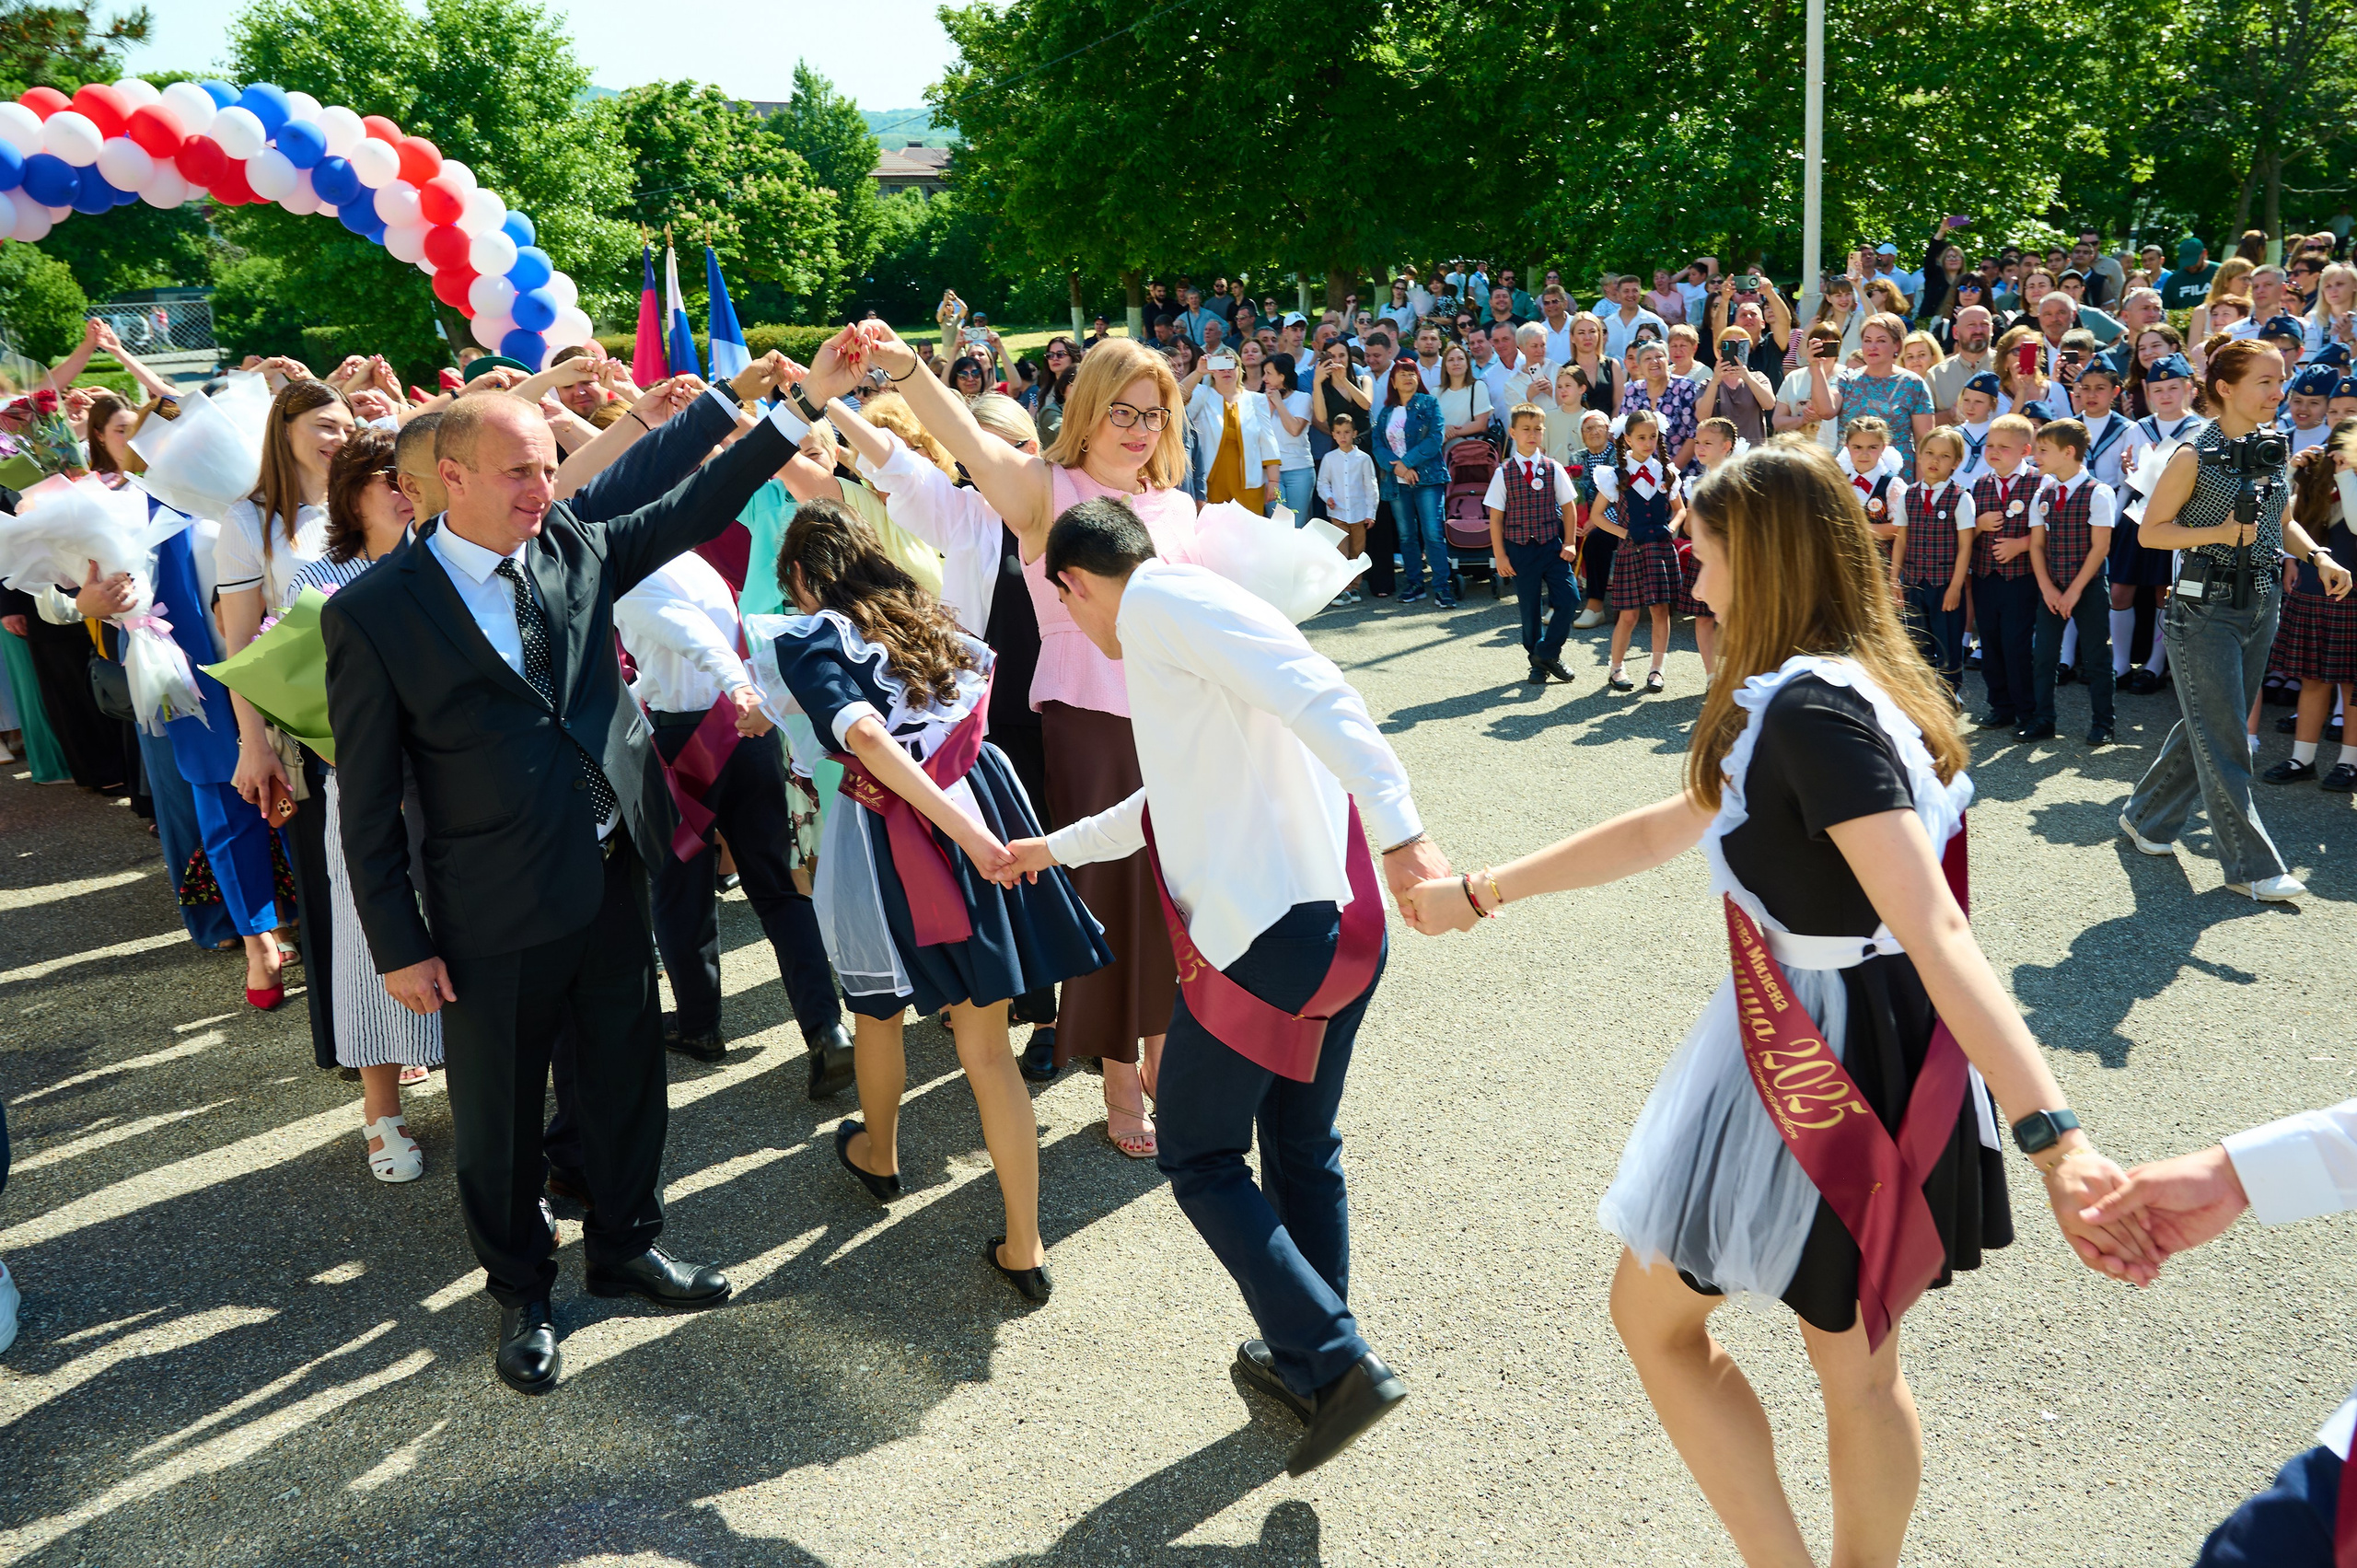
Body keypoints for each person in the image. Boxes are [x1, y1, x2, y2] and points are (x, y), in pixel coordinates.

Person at [1405, 438, 2147, 1568]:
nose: (1693, 576)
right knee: (1853, 1364)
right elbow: (1670, 824)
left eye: (1704, 553)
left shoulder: (1809, 713)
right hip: (1878, 1030)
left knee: (1690, 1327)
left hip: (1825, 1048)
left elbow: (1936, 927)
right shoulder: (1855, 681)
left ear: (1761, 560)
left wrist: (2057, 1136)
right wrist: (1482, 890)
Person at [321, 374, 807, 1395]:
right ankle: (521, 1292)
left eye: (547, 467)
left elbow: (692, 504)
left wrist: (790, 413)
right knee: (499, 1115)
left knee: (625, 1073)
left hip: (608, 866)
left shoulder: (571, 546)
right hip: (489, 902)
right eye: (519, 472)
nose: (543, 488)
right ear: (450, 477)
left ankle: (626, 1244)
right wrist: (398, 943)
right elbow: (366, 803)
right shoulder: (373, 611)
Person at [1004, 496, 1448, 1477]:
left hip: (1271, 936)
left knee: (1200, 1152)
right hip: (1332, 925)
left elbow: (1321, 689)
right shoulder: (1179, 617)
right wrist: (1051, 848)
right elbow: (1167, 794)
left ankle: (1334, 1359)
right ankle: (1314, 1356)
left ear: (1073, 584)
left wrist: (1404, 831)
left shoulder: (1165, 606)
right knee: (1298, 1141)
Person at [851, 327, 1188, 1144]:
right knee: (1112, 893)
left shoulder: (1177, 505)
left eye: (1155, 413)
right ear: (1087, 410)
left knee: (1177, 893)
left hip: (1180, 720)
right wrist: (907, 368)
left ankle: (1167, 1060)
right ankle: (1120, 1083)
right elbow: (964, 438)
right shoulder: (1045, 490)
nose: (1139, 429)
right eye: (1122, 411)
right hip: (1091, 721)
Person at [770, 499, 1110, 1298]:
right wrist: (976, 829)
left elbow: (866, 738)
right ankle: (1024, 1243)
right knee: (986, 1048)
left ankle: (880, 1154)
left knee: (878, 1008)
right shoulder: (925, 616)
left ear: (805, 577)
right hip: (982, 795)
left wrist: (962, 834)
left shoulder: (814, 638)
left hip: (899, 828)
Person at [2120, 340, 2351, 901]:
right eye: (2266, 382)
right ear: (2225, 388)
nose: (2279, 391)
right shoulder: (2192, 455)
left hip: (2262, 602)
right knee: (2226, 739)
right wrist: (2221, 532)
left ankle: (2145, 816)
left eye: (2281, 380)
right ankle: (2251, 867)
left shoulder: (2272, 443)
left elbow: (2281, 520)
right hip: (2204, 607)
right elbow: (2152, 532)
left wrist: (2318, 556)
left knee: (2208, 723)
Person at [285, 428, 444, 1182]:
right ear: (351, 494)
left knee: (462, 931)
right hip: (364, 784)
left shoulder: (445, 556)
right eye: (388, 475)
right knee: (368, 940)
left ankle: (484, 1089)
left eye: (411, 474)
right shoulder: (318, 578)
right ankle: (381, 1112)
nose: (404, 488)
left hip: (454, 781)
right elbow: (300, 692)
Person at [220, 379, 355, 1034]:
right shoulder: (248, 520)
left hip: (388, 711)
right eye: (326, 425)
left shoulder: (367, 496)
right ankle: (352, 1035)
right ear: (285, 428)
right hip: (308, 725)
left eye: (347, 425)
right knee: (329, 882)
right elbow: (242, 644)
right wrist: (254, 743)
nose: (340, 437)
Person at [2259, 424, 2357, 789]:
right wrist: (2290, 473)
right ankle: (2302, 758)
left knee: (2352, 686)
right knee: (2312, 680)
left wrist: (2346, 474)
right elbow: (2281, 520)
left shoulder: (2348, 481)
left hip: (2353, 598)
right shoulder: (2317, 481)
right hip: (2314, 592)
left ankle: (2349, 763)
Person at [2023, 419, 2117, 745]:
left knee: (2097, 657)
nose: (2036, 456)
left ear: (2068, 452)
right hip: (2052, 587)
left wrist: (2074, 591)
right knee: (2044, 655)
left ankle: (2103, 723)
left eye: (2043, 450)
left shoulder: (2098, 492)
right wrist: (2048, 588)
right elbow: (2037, 545)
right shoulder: (2043, 492)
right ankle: (2043, 719)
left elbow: (2100, 547)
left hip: (2088, 588)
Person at [1485, 402, 1580, 684]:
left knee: (1570, 598)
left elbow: (1569, 508)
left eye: (1537, 429)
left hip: (1551, 546)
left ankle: (1547, 652)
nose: (1532, 434)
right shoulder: (1503, 472)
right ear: (1513, 432)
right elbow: (1496, 518)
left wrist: (1570, 542)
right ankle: (1537, 663)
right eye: (1525, 429)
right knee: (1529, 608)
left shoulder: (1553, 468)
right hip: (1519, 549)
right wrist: (1500, 556)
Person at [1596, 408, 1683, 693]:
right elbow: (1596, 516)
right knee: (1629, 614)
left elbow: (1680, 510)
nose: (1648, 442)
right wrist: (1624, 534)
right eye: (1641, 437)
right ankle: (1616, 667)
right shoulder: (1615, 475)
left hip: (1660, 550)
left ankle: (1657, 669)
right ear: (1628, 439)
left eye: (1653, 437)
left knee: (1660, 610)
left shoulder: (1666, 472)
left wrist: (1671, 528)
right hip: (1631, 551)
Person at [1892, 426, 1976, 697]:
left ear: (1956, 462)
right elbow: (1901, 541)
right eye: (1929, 453)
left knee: (1948, 643)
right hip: (1914, 583)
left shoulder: (1961, 498)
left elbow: (1965, 546)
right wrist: (1894, 579)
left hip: (1945, 585)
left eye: (1944, 456)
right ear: (1919, 455)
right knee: (1918, 642)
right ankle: (1924, 698)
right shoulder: (1908, 495)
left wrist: (1956, 587)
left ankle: (1951, 695)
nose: (1934, 460)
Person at [1814, 314, 1935, 480]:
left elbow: (1924, 442)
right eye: (1867, 340)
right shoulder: (1846, 379)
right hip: (1850, 477)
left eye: (1881, 341)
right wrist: (1816, 368)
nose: (1872, 347)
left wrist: (1920, 488)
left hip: (1895, 479)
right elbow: (1825, 411)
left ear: (1897, 345)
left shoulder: (1913, 384)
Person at [1377, 359, 1451, 608]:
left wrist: (1406, 463)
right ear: (1393, 381)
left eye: (1412, 373)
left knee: (1433, 533)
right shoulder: (1386, 412)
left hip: (1428, 478)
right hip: (1397, 482)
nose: (1408, 378)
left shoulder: (1430, 404)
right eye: (1403, 374)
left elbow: (1435, 438)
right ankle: (1415, 584)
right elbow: (1378, 445)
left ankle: (1442, 587)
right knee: (1407, 535)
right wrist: (1397, 467)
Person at [1186, 351, 1282, 517]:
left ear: (1239, 369)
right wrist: (1198, 372)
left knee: (1249, 530)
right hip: (1210, 483)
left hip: (1249, 484)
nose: (1226, 370)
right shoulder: (1202, 394)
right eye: (1220, 366)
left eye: (1231, 365)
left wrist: (1273, 481)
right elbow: (1176, 399)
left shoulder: (1256, 400)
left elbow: (1268, 440)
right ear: (1212, 371)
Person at [1316, 412, 1376, 604]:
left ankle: (1355, 587)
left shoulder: (1363, 459)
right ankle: (1344, 589)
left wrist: (1371, 513)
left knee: (1357, 552)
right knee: (1340, 552)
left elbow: (1371, 486)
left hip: (1359, 514)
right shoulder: (1329, 458)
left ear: (1354, 433)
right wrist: (1328, 497)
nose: (1343, 436)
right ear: (1333, 435)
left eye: (1347, 432)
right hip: (1338, 514)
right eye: (1339, 432)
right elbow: (1322, 482)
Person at [1260, 354, 1317, 519]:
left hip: (1299, 470)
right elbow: (1259, 435)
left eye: (1268, 373)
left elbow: (1294, 429)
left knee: (1297, 523)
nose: (1264, 378)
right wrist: (1269, 408)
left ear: (1282, 376)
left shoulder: (1303, 398)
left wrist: (1279, 403)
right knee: (1277, 523)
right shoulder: (1260, 401)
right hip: (1270, 473)